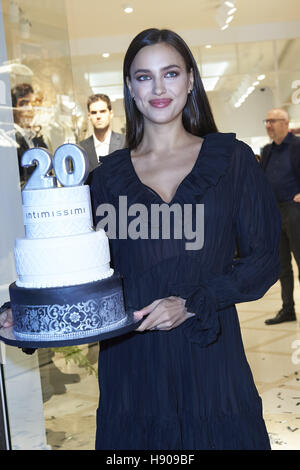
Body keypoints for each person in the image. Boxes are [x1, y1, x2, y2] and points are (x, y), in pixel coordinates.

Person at [1, 29, 281, 450]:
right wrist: (24, 313)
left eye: (170, 73)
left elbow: (264, 260)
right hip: (133, 364)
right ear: (130, 88)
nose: (159, 87)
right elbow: (73, 265)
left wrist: (191, 302)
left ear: (190, 79)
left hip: (210, 355)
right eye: (144, 77)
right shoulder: (104, 178)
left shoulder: (233, 162)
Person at [261, 109, 300, 325]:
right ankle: (288, 309)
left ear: (285, 123)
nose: (268, 125)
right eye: (266, 121)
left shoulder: (297, 146)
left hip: (295, 211)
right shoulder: (267, 151)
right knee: (282, 265)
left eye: (272, 121)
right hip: (274, 213)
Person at [11, 83, 48, 187]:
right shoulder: (11, 140)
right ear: (14, 108)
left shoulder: (37, 139)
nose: (30, 108)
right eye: (23, 103)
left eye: (33, 103)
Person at [79, 94, 125, 173]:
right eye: (94, 112)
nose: (98, 116)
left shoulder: (125, 142)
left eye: (102, 111)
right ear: (89, 116)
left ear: (111, 114)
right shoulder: (81, 148)